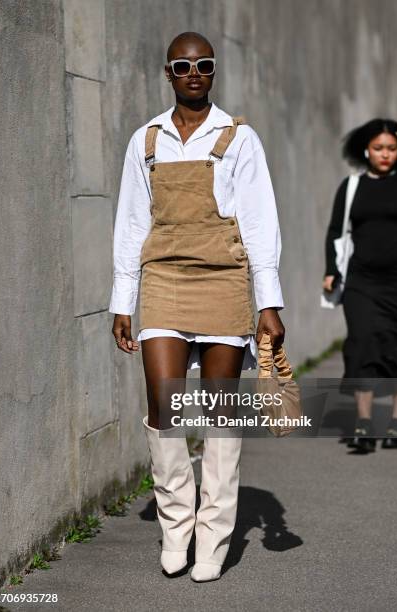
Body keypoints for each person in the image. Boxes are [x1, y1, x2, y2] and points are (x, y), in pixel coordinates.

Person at [108, 32, 285, 581]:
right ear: (168, 73)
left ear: (213, 72)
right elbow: (132, 223)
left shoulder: (239, 138)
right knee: (163, 406)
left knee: (218, 410)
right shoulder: (147, 140)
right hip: (162, 277)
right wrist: (123, 299)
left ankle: (213, 536)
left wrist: (268, 300)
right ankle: (175, 525)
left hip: (224, 280)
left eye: (203, 65)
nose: (193, 73)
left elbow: (259, 222)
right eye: (183, 65)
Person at [323, 119, 397, 453]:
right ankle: (363, 421)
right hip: (362, 280)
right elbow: (335, 231)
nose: (385, 154)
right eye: (378, 148)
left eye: (392, 148)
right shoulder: (352, 186)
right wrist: (331, 270)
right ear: (365, 150)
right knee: (361, 343)